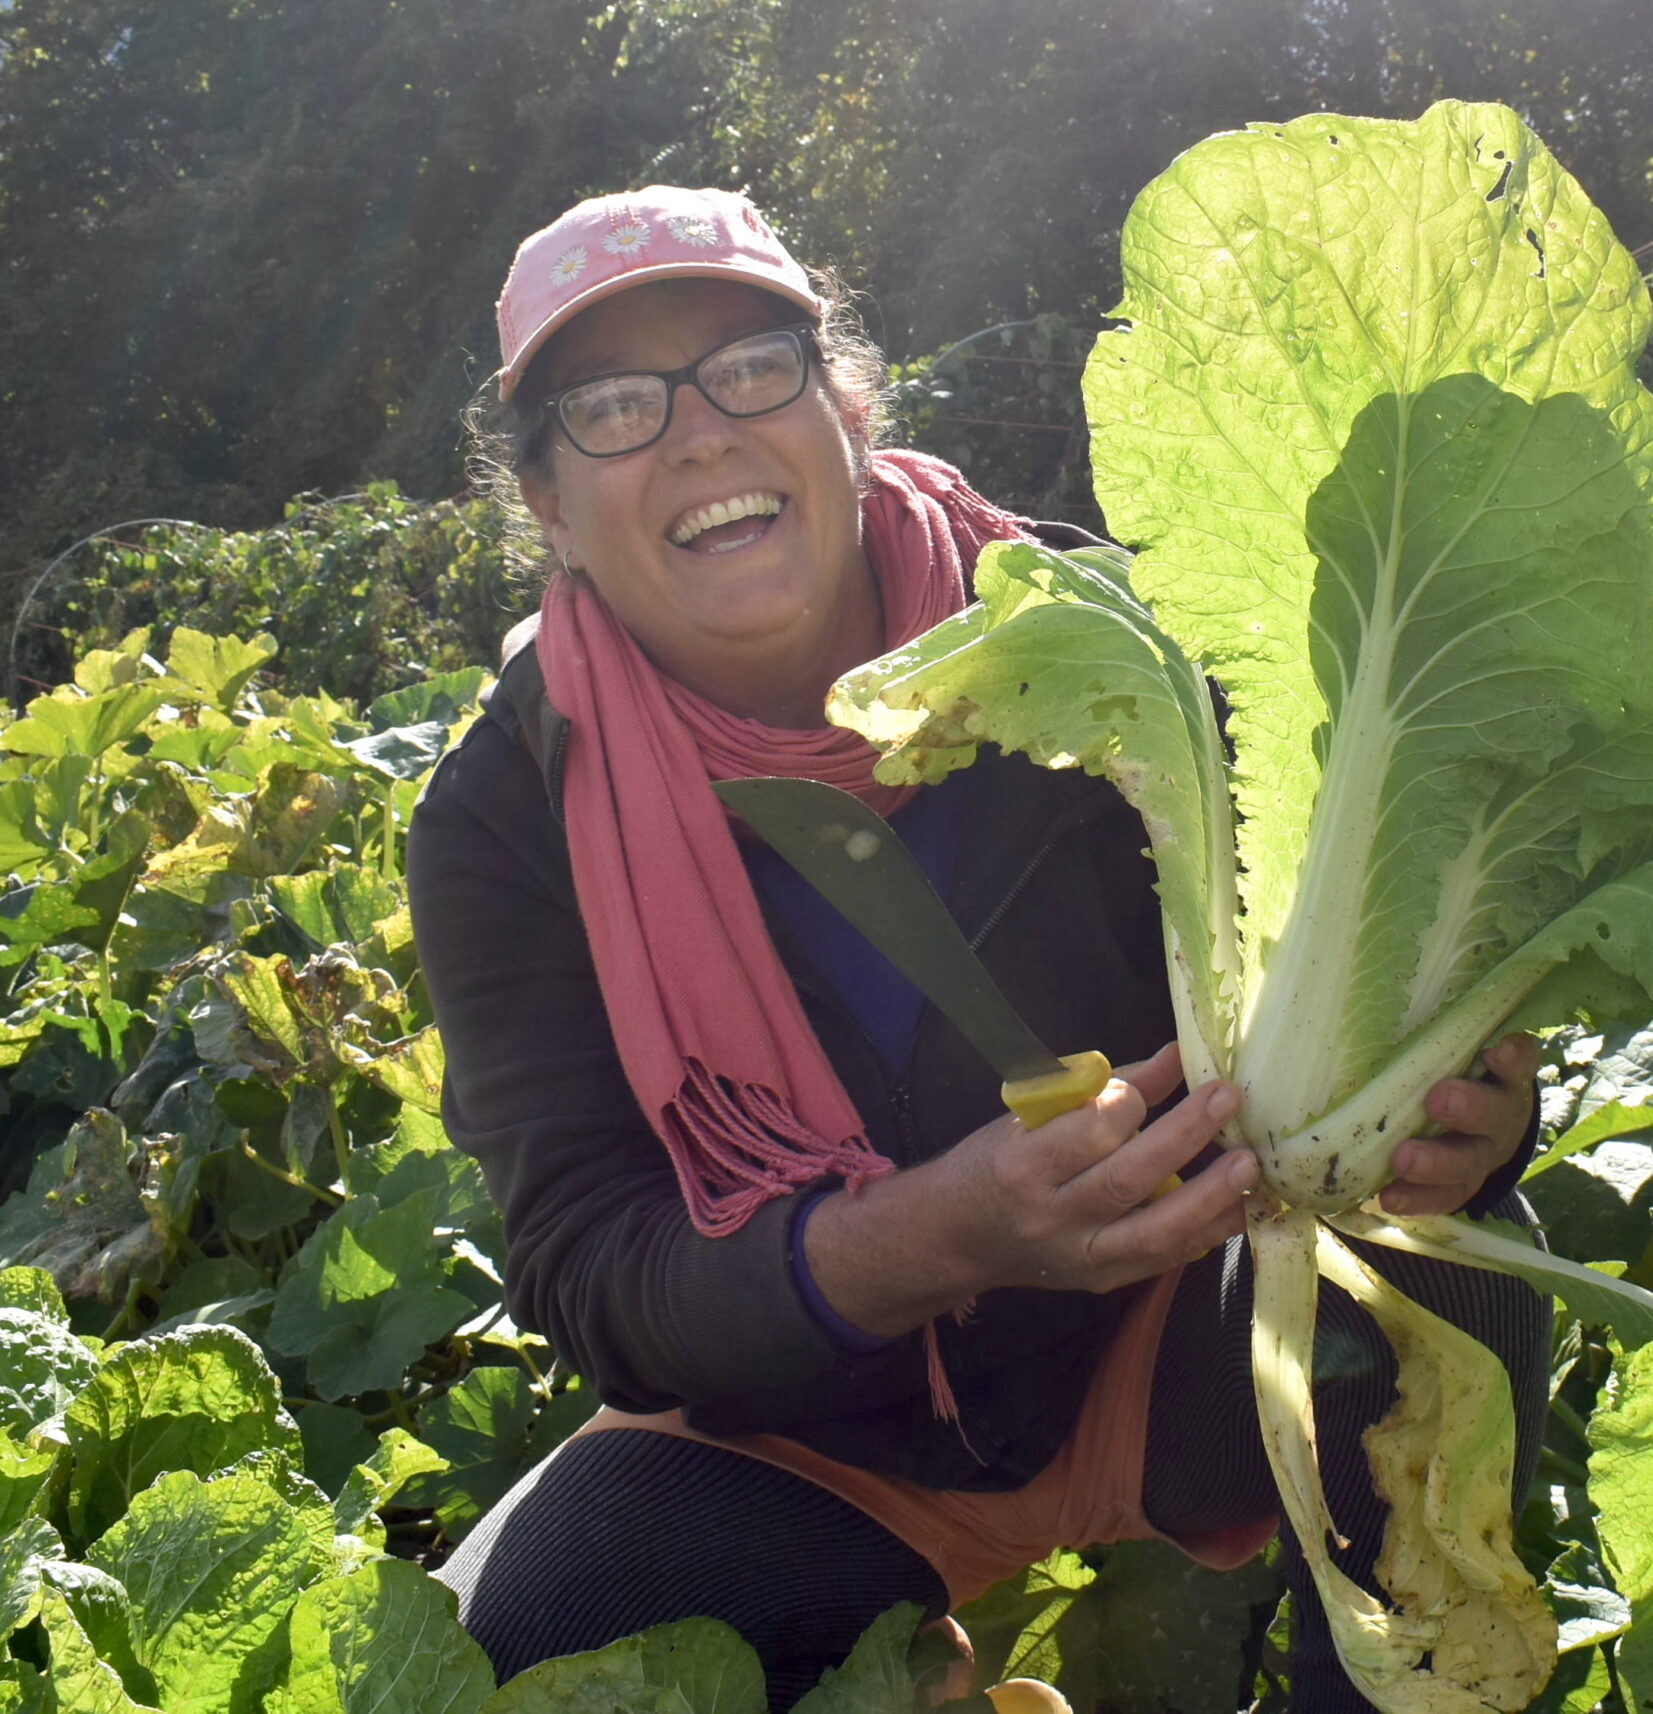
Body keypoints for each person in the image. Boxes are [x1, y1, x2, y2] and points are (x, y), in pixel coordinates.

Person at [407, 186, 1548, 1710]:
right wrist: (932, 1237)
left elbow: (1372, 966)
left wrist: (1480, 1109)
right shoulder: (506, 812)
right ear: (546, 502)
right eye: (611, 409)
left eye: (752, 368)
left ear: (849, 406)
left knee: (1458, 1281)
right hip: (809, 1433)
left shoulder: (1106, 642)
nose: (698, 436)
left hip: (1179, 1316)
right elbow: (590, 1269)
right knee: (544, 1630)